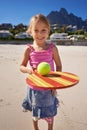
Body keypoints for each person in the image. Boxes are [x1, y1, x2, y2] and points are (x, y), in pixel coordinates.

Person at [20, 14, 62, 130]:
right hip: (34, 89)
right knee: (35, 114)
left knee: (50, 113)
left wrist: (55, 85)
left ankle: (50, 128)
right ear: (30, 32)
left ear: (49, 31)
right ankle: (36, 128)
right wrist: (28, 70)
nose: (39, 34)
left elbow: (58, 65)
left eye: (43, 30)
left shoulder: (52, 48)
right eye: (36, 30)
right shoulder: (29, 49)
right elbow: (21, 66)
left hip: (49, 87)